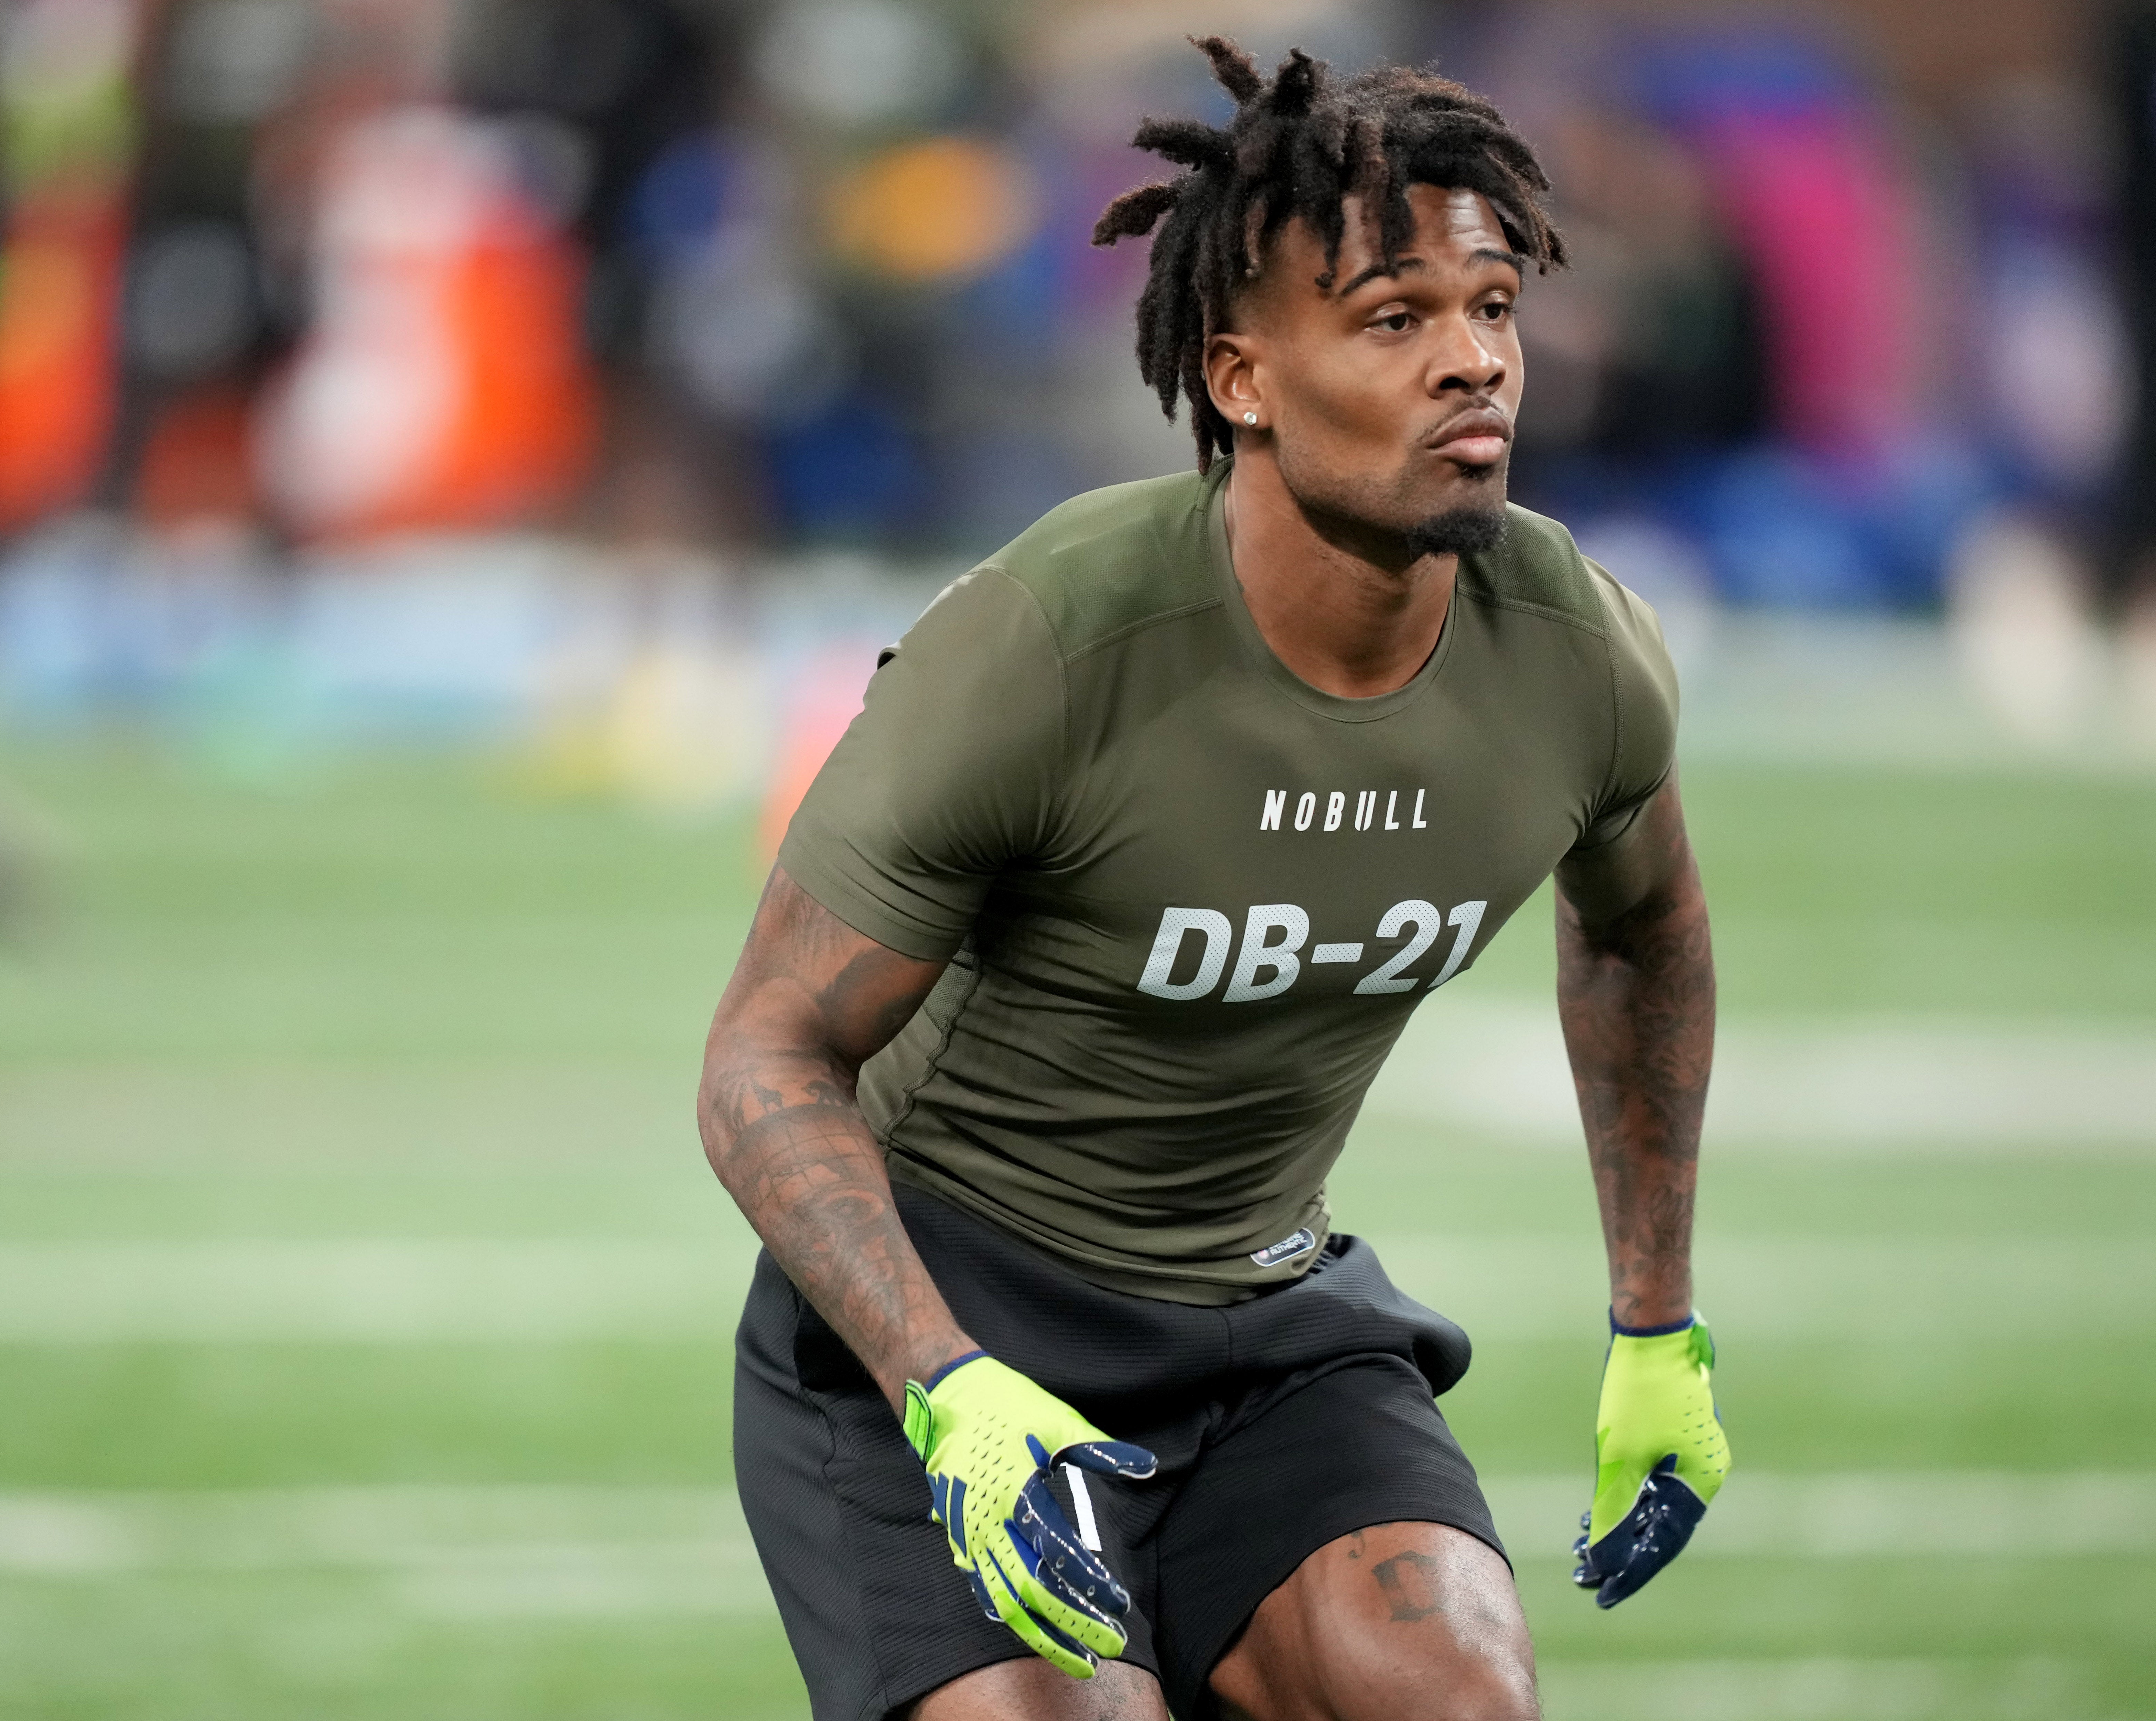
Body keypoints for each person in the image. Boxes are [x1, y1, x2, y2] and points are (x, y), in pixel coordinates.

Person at [698, 39, 1728, 1721]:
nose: (1472, 364)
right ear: (1240, 378)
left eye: (1492, 310)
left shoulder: (1577, 651)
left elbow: (1643, 939)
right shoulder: (1046, 643)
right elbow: (761, 1060)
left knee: (1457, 1698)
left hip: (1269, 1330)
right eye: (1395, 322)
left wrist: (1654, 1322)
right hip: (945, 1331)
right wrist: (947, 1386)